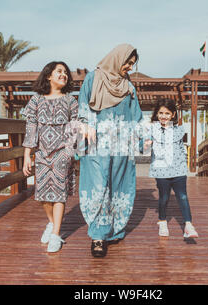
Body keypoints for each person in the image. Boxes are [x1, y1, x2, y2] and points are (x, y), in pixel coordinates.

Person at [78, 43, 143, 257]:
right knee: (98, 185)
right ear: (117, 58)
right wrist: (86, 124)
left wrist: (141, 138)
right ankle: (98, 235)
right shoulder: (93, 78)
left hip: (122, 144)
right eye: (128, 63)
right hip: (97, 143)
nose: (129, 68)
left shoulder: (128, 85)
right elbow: (83, 105)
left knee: (119, 184)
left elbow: (136, 114)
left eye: (132, 65)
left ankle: (113, 231)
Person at [22, 61, 80, 253]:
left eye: (66, 72)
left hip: (62, 152)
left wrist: (69, 152)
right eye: (59, 71)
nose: (63, 75)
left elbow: (74, 127)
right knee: (43, 196)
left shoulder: (71, 101)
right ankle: (51, 223)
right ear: (49, 75)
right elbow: (30, 128)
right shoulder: (36, 100)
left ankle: (56, 234)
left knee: (59, 194)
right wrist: (27, 156)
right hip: (41, 153)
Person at [145, 98, 199, 239]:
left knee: (182, 196)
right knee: (164, 197)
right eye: (161, 113)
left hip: (178, 170)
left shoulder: (179, 130)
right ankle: (162, 221)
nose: (164, 116)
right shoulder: (152, 129)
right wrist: (146, 144)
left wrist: (184, 165)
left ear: (173, 115)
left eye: (167, 113)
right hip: (162, 171)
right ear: (157, 114)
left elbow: (181, 149)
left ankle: (188, 225)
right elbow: (142, 144)